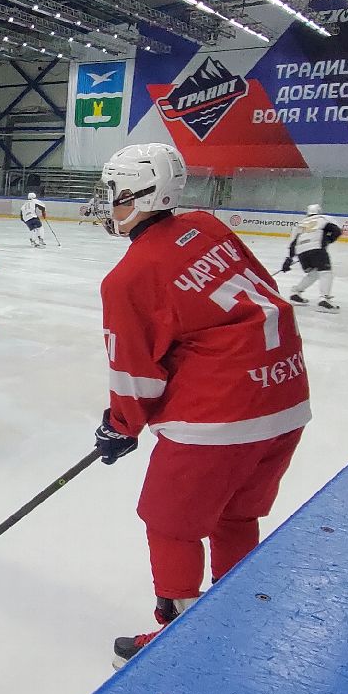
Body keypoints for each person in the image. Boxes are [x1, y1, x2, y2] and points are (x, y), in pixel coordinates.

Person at [92, 143, 308, 666]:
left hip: (218, 419)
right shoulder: (209, 229)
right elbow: (266, 290)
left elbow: (134, 373)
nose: (108, 202)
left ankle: (181, 640)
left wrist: (122, 425)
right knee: (235, 516)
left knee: (170, 523)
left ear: (136, 194)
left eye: (113, 192)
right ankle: (235, 618)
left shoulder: (129, 276)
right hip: (285, 398)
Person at [279, 203, 342, 311]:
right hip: (316, 248)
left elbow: (293, 242)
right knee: (326, 272)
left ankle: (296, 293)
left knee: (314, 273)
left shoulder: (301, 223)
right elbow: (337, 231)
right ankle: (324, 299)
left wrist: (288, 260)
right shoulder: (324, 219)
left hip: (301, 252)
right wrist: (328, 240)